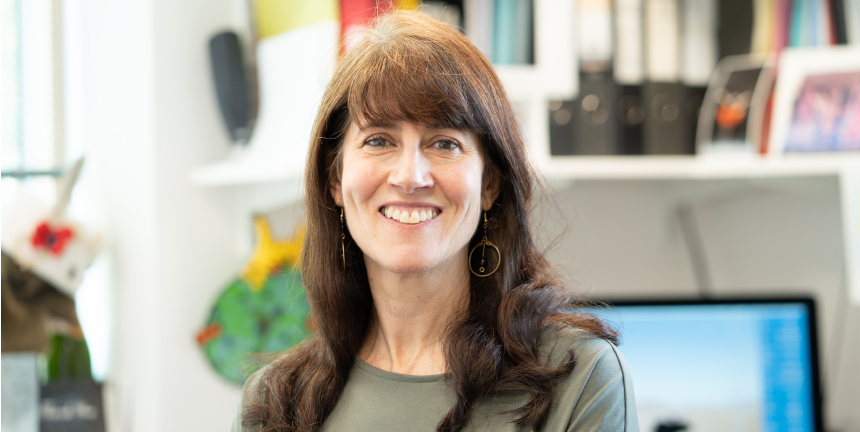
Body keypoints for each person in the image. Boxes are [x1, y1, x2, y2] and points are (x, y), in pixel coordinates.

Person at [233, 10, 638, 432]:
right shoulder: (274, 402)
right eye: (378, 140)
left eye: (445, 143)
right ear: (335, 178)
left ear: (490, 184)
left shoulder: (578, 378)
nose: (410, 176)